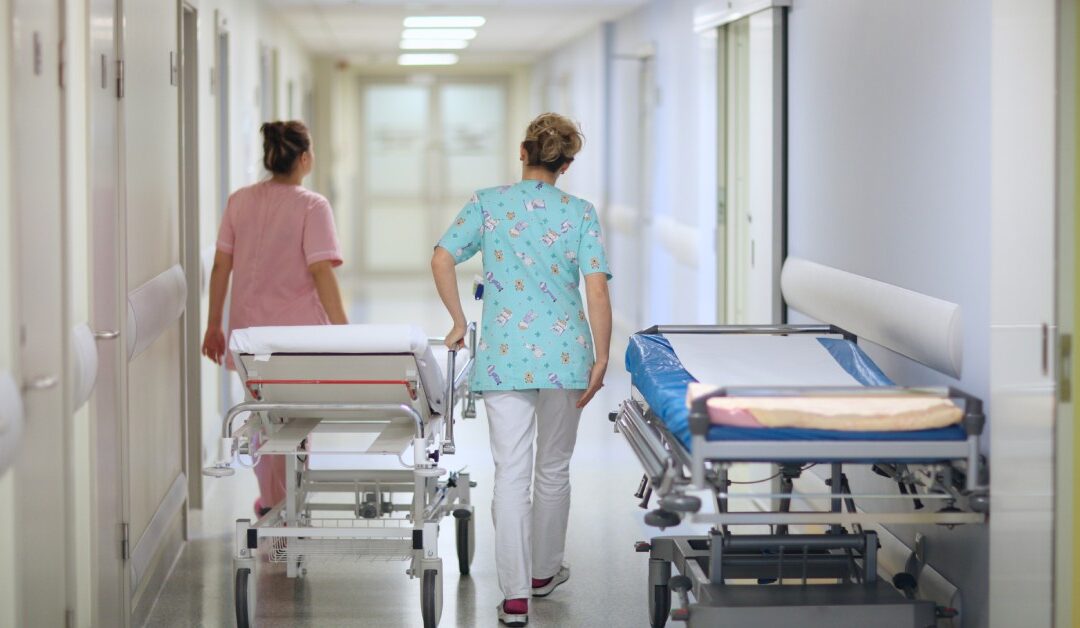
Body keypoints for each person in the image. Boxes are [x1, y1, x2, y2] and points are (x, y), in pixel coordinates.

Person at [431, 112, 612, 627]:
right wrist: (602, 356)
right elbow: (596, 287)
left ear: (522, 151)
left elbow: (441, 257)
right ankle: (542, 572)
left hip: (506, 355)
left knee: (511, 472)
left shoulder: (488, 203)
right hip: (567, 357)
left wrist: (458, 322)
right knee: (553, 468)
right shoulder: (580, 213)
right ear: (567, 164)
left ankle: (514, 597)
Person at [202, 120, 348, 516]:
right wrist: (345, 334)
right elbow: (321, 272)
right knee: (295, 424)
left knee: (263, 417)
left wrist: (214, 324)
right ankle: (287, 505)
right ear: (304, 158)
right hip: (296, 338)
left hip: (250, 336)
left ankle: (273, 502)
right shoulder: (312, 205)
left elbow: (220, 266)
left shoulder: (239, 201)